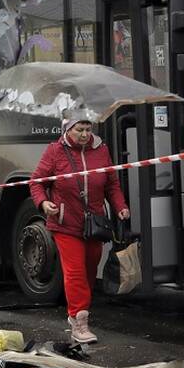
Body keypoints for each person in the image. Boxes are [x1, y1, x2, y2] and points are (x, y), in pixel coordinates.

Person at [30, 118, 129, 344]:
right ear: (68, 130)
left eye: (88, 129)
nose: (85, 134)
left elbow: (111, 185)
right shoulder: (55, 151)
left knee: (89, 270)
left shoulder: (101, 150)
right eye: (79, 130)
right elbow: (36, 183)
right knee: (74, 272)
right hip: (65, 223)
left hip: (93, 224)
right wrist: (44, 204)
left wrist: (120, 206)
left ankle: (76, 313)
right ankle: (80, 322)